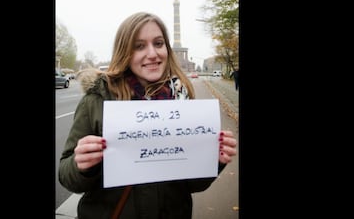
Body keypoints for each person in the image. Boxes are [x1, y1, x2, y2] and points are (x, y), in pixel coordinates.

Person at [58, 12, 237, 219]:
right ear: (124, 52)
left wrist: (213, 160)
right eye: (139, 46)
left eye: (159, 43)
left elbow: (192, 185)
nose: (152, 54)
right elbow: (66, 176)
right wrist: (80, 165)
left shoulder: (182, 102)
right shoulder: (97, 100)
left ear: (167, 50)